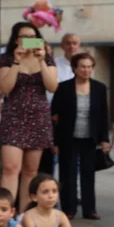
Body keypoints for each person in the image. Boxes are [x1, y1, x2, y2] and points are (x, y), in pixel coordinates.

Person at [0, 22, 58, 212]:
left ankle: (25, 214)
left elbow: (52, 87)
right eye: (24, 37)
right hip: (14, 116)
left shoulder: (46, 58)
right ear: (16, 40)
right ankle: (5, 212)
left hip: (38, 117)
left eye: (33, 37)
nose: (29, 41)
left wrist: (42, 61)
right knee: (10, 168)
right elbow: (5, 88)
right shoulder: (7, 58)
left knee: (31, 171)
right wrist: (17, 61)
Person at [52, 53, 110, 220]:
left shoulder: (99, 88)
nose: (86, 70)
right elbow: (54, 115)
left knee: (88, 173)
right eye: (83, 67)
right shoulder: (63, 88)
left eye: (89, 67)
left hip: (90, 137)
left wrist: (104, 139)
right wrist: (54, 141)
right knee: (67, 173)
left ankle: (89, 209)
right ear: (75, 69)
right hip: (68, 136)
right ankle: (68, 208)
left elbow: (103, 115)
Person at [39, 33, 81, 176]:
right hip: (52, 115)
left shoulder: (83, 66)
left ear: (79, 45)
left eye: (74, 43)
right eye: (68, 43)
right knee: (50, 156)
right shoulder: (54, 64)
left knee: (72, 160)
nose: (71, 46)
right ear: (62, 46)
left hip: (75, 117)